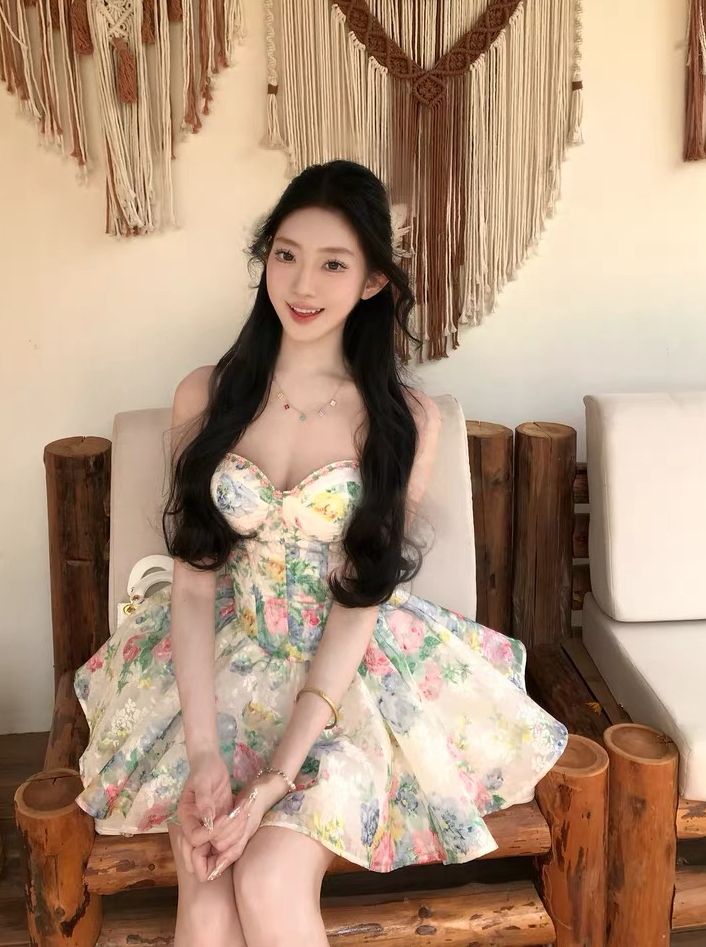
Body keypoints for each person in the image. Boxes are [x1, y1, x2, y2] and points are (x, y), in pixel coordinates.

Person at [74, 160, 568, 947]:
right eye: (286, 254)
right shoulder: (207, 393)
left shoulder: (402, 419)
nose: (302, 284)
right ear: (265, 257)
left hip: (349, 677)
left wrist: (276, 778)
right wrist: (204, 755)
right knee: (207, 893)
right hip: (221, 659)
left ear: (372, 282)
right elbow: (194, 588)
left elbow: (359, 601)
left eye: (333, 264)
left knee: (266, 880)